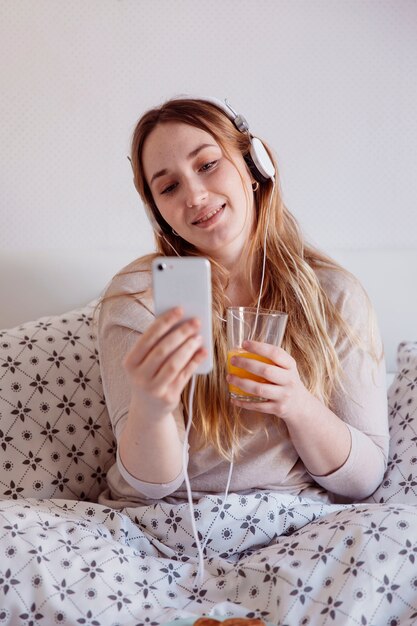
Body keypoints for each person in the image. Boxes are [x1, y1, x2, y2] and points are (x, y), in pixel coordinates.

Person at [97, 97, 389, 511]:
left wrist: (298, 405)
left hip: (293, 527)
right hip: (162, 524)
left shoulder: (336, 296)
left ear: (255, 166)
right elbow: (152, 487)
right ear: (159, 212)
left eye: (207, 164)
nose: (195, 195)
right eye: (168, 186)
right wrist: (151, 406)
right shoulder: (138, 298)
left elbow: (365, 479)